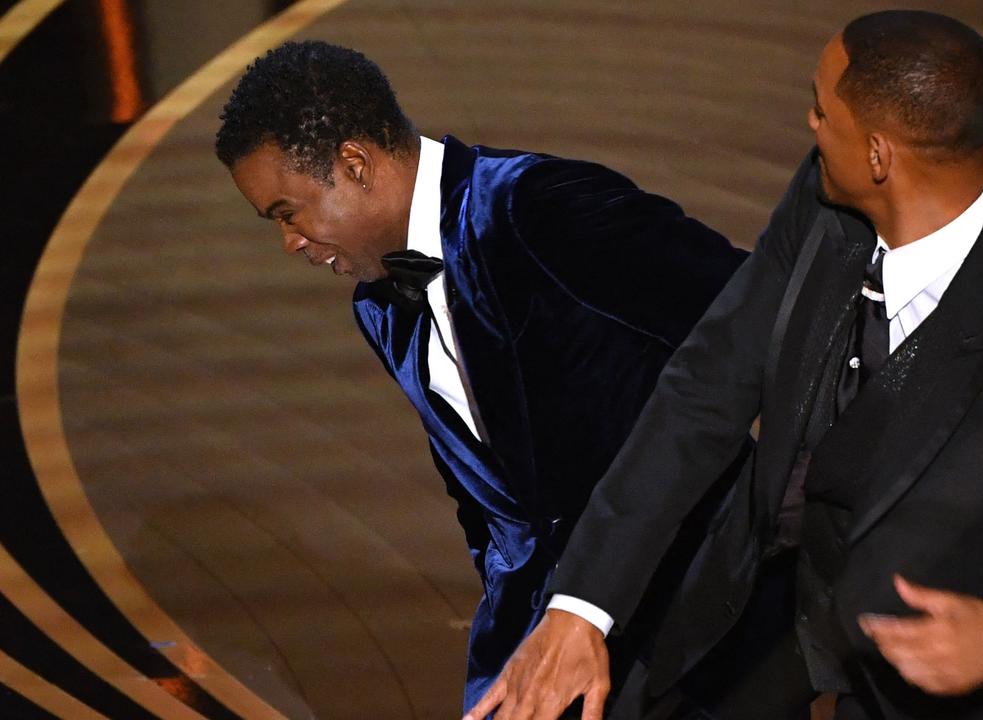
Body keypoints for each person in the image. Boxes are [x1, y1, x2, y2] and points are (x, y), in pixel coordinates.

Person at [469, 11, 983, 720]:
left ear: (878, 155)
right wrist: (581, 607)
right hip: (772, 608)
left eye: (821, 112)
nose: (809, 125)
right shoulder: (826, 200)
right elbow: (703, 390)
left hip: (952, 687)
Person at [214, 40, 748, 712]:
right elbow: (486, 502)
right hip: (536, 640)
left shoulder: (539, 208)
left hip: (696, 614)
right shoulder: (381, 307)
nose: (290, 242)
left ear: (354, 164)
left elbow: (750, 319)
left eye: (287, 213)